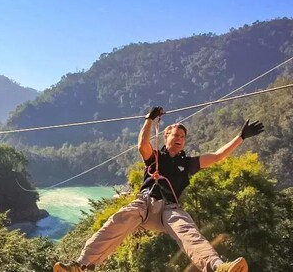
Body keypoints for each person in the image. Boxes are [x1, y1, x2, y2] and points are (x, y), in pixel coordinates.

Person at [54, 106, 264, 272]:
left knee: (188, 232)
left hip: (170, 209)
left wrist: (241, 137)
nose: (180, 139)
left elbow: (217, 156)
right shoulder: (155, 156)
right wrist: (149, 119)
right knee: (119, 219)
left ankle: (218, 267)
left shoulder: (188, 163)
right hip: (145, 203)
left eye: (182, 137)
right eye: (175, 135)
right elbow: (141, 146)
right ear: (166, 137)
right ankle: (81, 265)